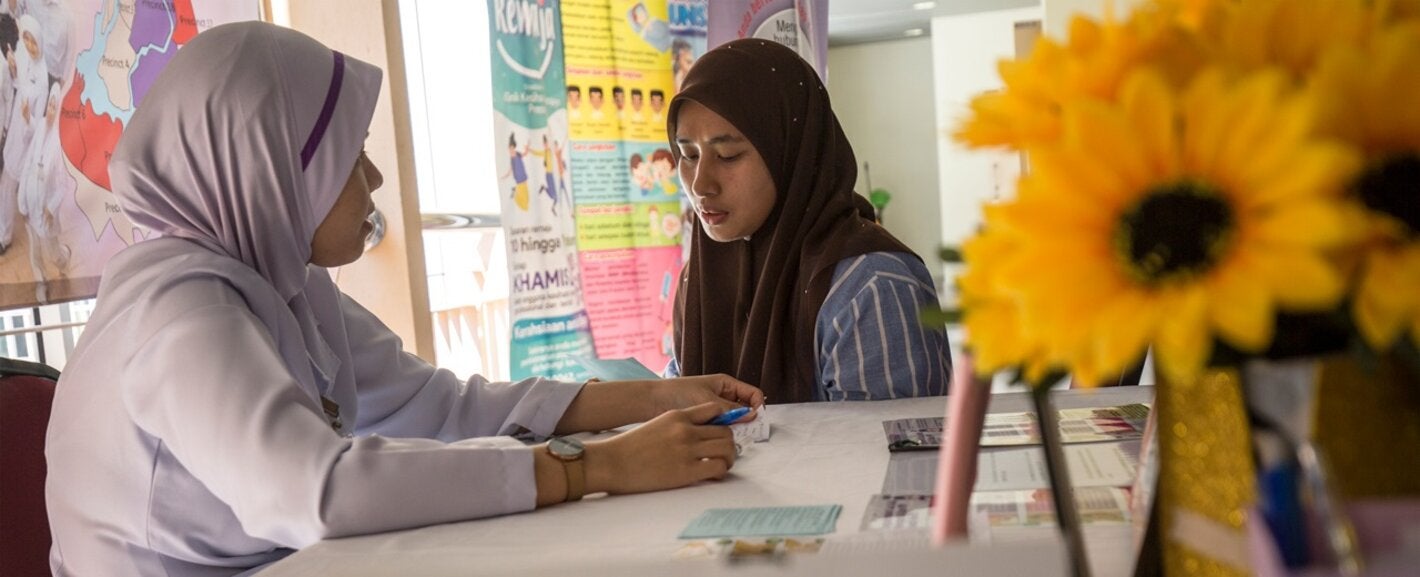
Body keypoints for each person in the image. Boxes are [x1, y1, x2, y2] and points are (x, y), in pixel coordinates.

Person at [45, 22, 763, 577]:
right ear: (268, 170)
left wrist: (653, 401)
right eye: (350, 158)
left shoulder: (282, 286)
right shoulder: (179, 311)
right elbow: (318, 492)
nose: (376, 177)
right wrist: (597, 466)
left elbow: (447, 406)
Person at [667, 39, 950, 403]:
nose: (701, 184)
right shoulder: (698, 279)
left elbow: (887, 454)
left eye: (728, 155)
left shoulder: (870, 286)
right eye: (688, 155)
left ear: (789, 154)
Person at [0, 14, 43, 254]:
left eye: (31, 39)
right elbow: (16, 86)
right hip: (15, 135)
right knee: (9, 186)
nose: (27, 44)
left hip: (25, 142)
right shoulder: (23, 56)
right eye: (24, 38)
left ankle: (5, 237)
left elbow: (38, 123)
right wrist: (15, 69)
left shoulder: (42, 77)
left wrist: (25, 120)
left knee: (13, 186)